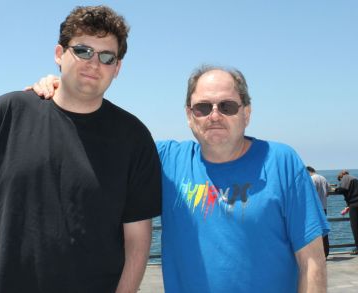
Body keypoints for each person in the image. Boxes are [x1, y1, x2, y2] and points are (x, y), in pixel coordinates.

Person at [30, 65, 330, 292]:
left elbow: (312, 260)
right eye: (203, 107)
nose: (214, 115)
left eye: (227, 106)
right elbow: (100, 137)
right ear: (189, 115)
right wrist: (67, 92)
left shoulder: (281, 161)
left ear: (246, 113)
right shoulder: (165, 160)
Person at [0, 6, 161, 293]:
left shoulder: (134, 137)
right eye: (83, 51)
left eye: (107, 57)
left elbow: (137, 238)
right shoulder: (6, 113)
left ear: (117, 68)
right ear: (59, 54)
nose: (94, 63)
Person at [306, 166, 330, 257]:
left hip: (314, 209)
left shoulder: (311, 179)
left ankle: (317, 254)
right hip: (323, 207)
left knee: (314, 231)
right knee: (324, 230)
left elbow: (308, 194)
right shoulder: (323, 178)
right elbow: (328, 193)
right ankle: (326, 252)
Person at [335, 170, 358, 255]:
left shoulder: (345, 178)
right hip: (357, 202)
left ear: (341, 176)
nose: (341, 182)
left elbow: (342, 189)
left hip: (355, 204)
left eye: (340, 180)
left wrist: (335, 189)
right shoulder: (355, 178)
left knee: (355, 226)